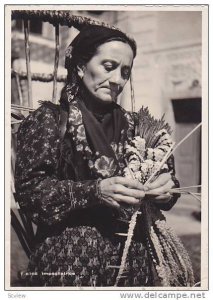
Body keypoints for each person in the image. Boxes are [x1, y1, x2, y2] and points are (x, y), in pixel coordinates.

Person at [15, 25, 180, 287]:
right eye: (108, 66)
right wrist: (95, 191)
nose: (117, 80)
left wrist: (166, 191)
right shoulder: (50, 121)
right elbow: (30, 193)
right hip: (71, 264)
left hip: (134, 268)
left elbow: (170, 182)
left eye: (125, 71)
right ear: (81, 67)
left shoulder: (141, 127)